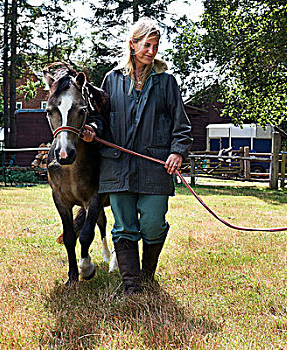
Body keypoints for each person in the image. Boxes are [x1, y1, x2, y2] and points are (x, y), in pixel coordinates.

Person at [82, 17, 193, 295]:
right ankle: (131, 284)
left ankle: (146, 274)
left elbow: (182, 126)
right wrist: (92, 130)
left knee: (153, 224)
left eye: (155, 46)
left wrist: (177, 152)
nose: (151, 51)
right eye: (146, 45)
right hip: (117, 167)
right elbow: (101, 119)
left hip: (156, 167)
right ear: (132, 45)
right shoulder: (112, 79)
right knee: (124, 226)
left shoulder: (166, 83)